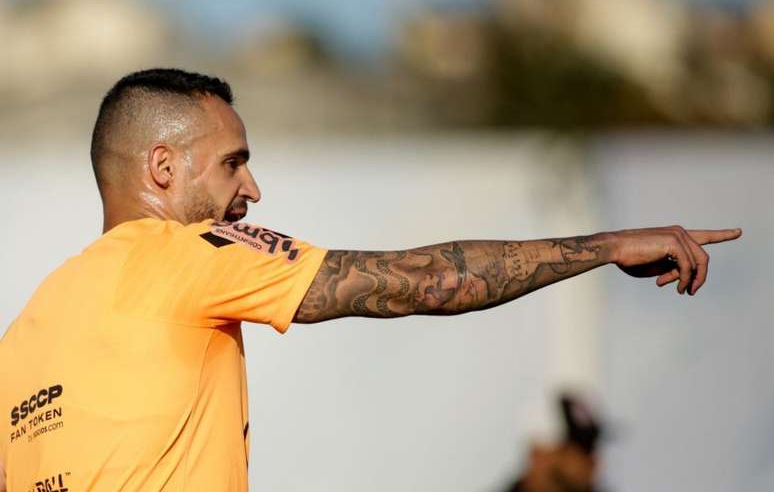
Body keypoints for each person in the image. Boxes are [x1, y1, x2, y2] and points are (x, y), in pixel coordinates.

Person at [0, 68, 741, 491]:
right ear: (163, 168)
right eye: (233, 162)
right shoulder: (185, 251)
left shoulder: (28, 330)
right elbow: (417, 281)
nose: (252, 189)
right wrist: (605, 245)